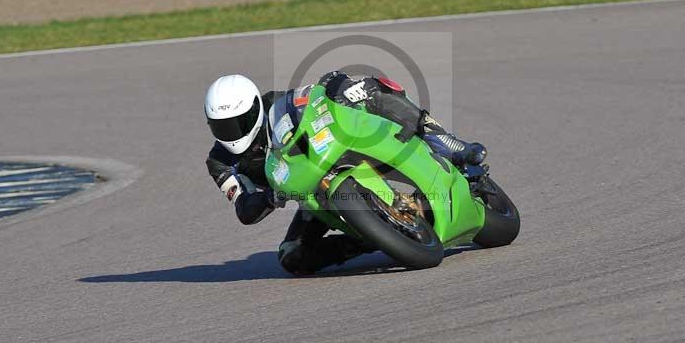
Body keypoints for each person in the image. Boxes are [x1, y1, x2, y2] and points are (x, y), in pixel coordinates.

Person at [204, 71, 486, 275]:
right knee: (291, 257)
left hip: (341, 149)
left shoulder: (277, 104)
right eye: (222, 127)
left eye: (239, 122)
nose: (232, 133)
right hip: (312, 198)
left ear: (255, 108)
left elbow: (314, 95)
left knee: (358, 89)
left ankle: (443, 140)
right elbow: (244, 209)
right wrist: (269, 198)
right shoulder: (220, 162)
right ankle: (366, 238)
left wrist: (330, 88)